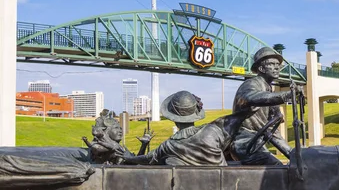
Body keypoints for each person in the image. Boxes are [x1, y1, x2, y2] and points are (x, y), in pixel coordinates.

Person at [120, 91, 250, 166]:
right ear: (196, 114)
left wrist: (128, 157)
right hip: (222, 188)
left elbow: (146, 159)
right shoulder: (214, 132)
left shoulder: (168, 146)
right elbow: (239, 120)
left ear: (173, 118)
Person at [231, 47, 299, 165]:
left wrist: (292, 154)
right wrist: (286, 95)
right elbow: (250, 97)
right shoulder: (251, 84)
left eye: (278, 64)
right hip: (244, 143)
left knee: (285, 168)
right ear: (261, 68)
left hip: (256, 143)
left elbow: (272, 131)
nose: (277, 67)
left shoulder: (268, 90)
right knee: (276, 168)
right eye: (272, 64)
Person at [85, 110, 153, 165]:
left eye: (120, 129)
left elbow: (135, 163)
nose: (120, 131)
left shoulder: (120, 148)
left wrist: (144, 145)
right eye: (116, 128)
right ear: (107, 131)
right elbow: (96, 149)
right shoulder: (99, 145)